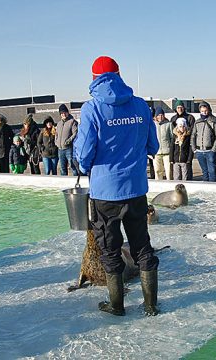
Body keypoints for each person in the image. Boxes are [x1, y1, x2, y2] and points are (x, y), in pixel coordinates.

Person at [74, 56, 160, 316]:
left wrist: (84, 165)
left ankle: (116, 305)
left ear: (93, 78)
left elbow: (84, 154)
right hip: (135, 189)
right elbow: (153, 147)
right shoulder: (141, 106)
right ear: (119, 74)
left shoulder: (92, 109)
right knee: (142, 246)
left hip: (105, 193)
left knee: (110, 250)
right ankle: (150, 306)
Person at [190, 101, 216, 182]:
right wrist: (194, 149)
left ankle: (213, 188)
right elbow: (193, 135)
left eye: (205, 111)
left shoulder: (215, 121)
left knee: (212, 171)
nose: (204, 113)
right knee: (204, 172)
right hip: (199, 151)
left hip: (210, 150)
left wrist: (213, 149)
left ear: (209, 110)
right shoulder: (197, 122)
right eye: (202, 111)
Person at [170, 100, 196, 179]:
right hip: (177, 146)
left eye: (181, 107)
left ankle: (189, 181)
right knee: (176, 172)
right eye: (178, 108)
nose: (179, 109)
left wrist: (186, 136)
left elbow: (193, 130)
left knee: (187, 170)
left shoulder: (190, 117)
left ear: (184, 108)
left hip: (187, 142)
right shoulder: (173, 118)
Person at [55, 104, 78, 176]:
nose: (63, 114)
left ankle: (76, 180)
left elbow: (75, 133)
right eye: (61, 113)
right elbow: (56, 134)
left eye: (64, 112)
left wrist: (68, 141)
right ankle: (64, 182)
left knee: (72, 166)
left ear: (67, 113)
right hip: (60, 149)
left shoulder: (72, 122)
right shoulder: (59, 123)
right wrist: (56, 142)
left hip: (69, 148)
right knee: (62, 168)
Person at [153, 107, 173, 180]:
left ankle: (170, 184)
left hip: (167, 152)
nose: (160, 117)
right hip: (157, 152)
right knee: (158, 171)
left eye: (162, 115)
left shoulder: (169, 124)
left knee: (168, 171)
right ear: (156, 116)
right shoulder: (153, 125)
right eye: (158, 115)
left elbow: (172, 137)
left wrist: (170, 147)